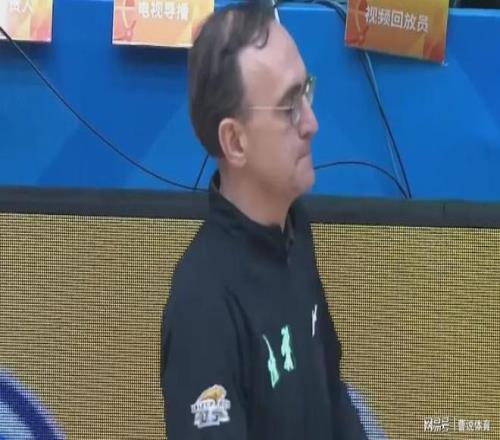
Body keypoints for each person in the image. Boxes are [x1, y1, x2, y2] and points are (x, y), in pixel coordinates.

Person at [160, 2, 368, 439]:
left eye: (306, 92)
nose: (311, 123)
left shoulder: (294, 229)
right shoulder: (204, 304)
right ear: (235, 141)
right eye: (289, 105)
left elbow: (331, 391)